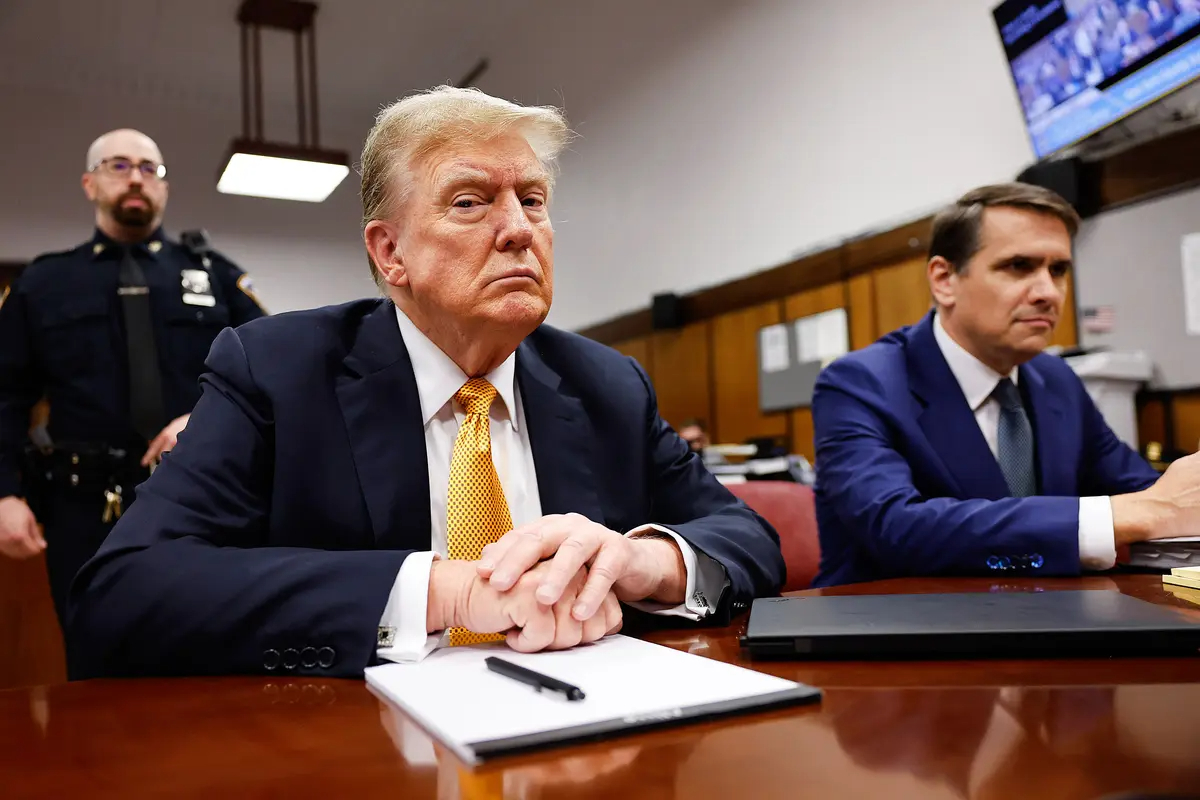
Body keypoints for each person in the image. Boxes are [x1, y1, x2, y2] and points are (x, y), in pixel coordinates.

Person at [67, 87, 784, 679]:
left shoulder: (606, 383)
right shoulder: (276, 371)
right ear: (390, 253)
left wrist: (640, 562)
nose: (518, 230)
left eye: (532, 200)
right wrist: (447, 592)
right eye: (470, 202)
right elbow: (125, 592)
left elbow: (746, 537)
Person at [811, 182, 1200, 587]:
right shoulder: (859, 383)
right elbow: (895, 527)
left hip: (1051, 618)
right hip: (888, 630)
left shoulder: (1056, 379)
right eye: (1018, 266)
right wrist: (1131, 514)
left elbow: (1147, 491)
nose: (1049, 293)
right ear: (944, 279)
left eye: (1059, 270)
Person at [0, 128, 266, 629]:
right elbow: (5, 396)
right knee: (95, 656)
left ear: (163, 187)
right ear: (89, 183)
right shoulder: (44, 283)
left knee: (208, 650)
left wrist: (205, 418)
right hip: (83, 506)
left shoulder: (214, 276)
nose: (137, 178)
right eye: (119, 166)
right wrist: (3, 493)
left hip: (201, 496)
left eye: (150, 169)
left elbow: (268, 374)